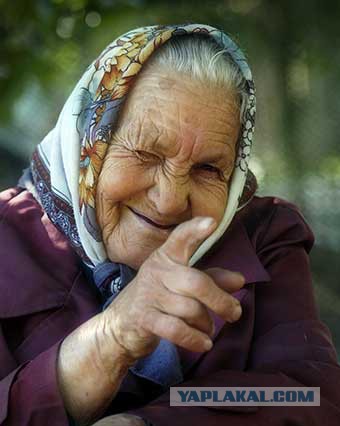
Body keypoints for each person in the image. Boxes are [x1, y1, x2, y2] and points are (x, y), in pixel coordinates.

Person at [0, 23, 339, 426]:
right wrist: (112, 338)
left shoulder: (264, 237)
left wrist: (149, 422)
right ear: (89, 143)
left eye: (209, 168)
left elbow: (305, 392)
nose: (170, 199)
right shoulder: (8, 237)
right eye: (145, 153)